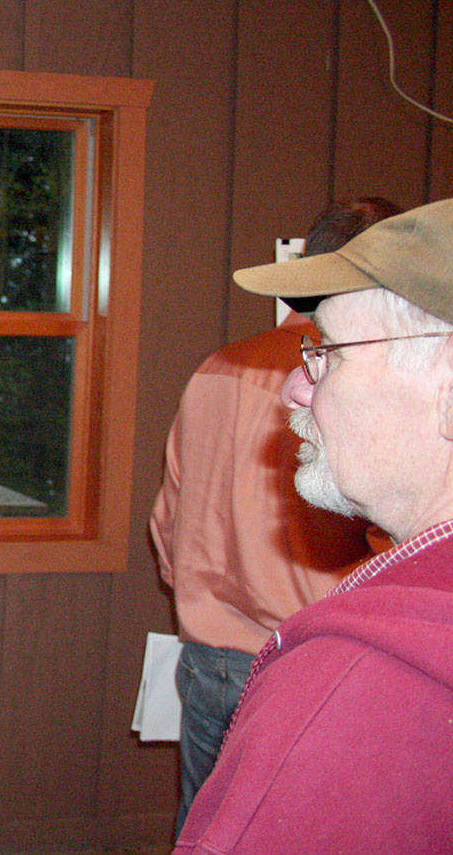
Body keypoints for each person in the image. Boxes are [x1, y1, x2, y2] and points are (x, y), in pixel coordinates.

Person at [174, 197, 453, 851]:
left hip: (215, 648)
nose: (295, 388)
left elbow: (169, 519)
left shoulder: (357, 687)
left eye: (332, 354)